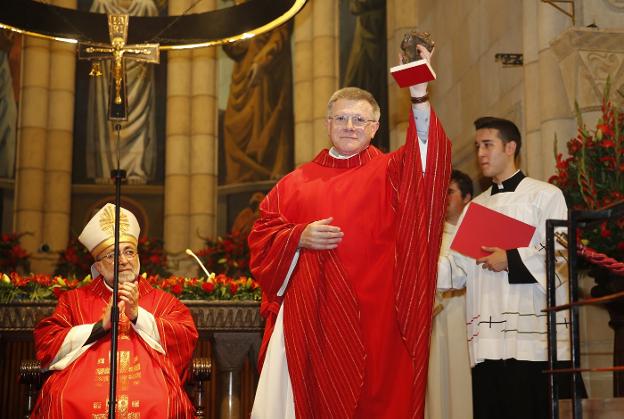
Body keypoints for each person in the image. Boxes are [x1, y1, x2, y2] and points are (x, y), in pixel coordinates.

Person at [248, 44, 452, 419]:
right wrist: (297, 238)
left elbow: (428, 158)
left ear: (374, 128)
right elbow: (261, 240)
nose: (349, 127)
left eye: (360, 121)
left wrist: (419, 93)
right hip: (311, 318)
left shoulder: (393, 171)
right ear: (327, 125)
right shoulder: (294, 183)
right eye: (341, 119)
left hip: (378, 317)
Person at [437, 117, 574, 419]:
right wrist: (415, 267)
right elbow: (456, 270)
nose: (480, 154)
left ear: (510, 147)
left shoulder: (544, 196)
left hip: (533, 340)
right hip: (489, 342)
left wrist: (510, 260)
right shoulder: (476, 208)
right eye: (477, 147)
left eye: (488, 145)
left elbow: (561, 255)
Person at [32, 203, 198, 418]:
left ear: (138, 257)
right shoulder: (74, 300)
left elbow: (185, 338)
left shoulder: (163, 301)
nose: (123, 261)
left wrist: (138, 315)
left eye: (129, 252)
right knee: (63, 399)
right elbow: (47, 342)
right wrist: (99, 327)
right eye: (111, 255)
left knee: (162, 401)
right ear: (98, 267)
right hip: (81, 385)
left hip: (150, 386)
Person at [86, 0, 159, 183]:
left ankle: (137, 170)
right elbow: (90, 42)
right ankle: (106, 171)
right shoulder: (101, 5)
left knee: (138, 114)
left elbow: (155, 41)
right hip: (107, 77)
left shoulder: (146, 7)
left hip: (139, 78)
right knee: (108, 117)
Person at [426, 169, 474, 419]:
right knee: (443, 389)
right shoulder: (431, 237)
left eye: (450, 192)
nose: (444, 198)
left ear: (467, 197)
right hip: (442, 324)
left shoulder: (478, 233)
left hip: (473, 323)